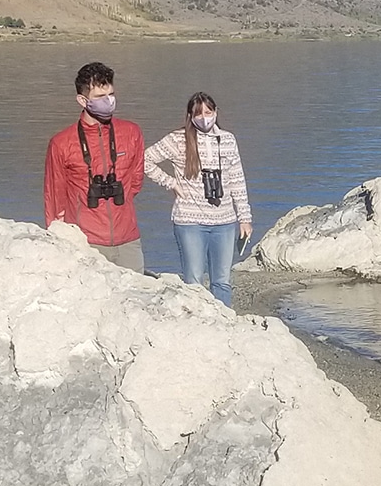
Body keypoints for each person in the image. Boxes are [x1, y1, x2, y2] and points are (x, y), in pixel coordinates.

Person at [144, 92, 252, 305]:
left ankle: (224, 324)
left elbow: (237, 179)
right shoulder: (177, 139)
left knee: (222, 281)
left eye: (208, 112)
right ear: (190, 116)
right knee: (193, 280)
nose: (204, 117)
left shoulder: (228, 140)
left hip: (225, 221)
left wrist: (245, 217)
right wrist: (170, 183)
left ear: (216, 112)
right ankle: (197, 323)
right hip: (190, 221)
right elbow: (144, 160)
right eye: (198, 113)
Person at [43, 62, 146, 271]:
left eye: (111, 94)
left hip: (128, 239)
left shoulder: (131, 132)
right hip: (86, 242)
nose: (108, 101)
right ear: (82, 100)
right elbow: (54, 196)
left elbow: (135, 181)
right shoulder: (61, 143)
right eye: (100, 97)